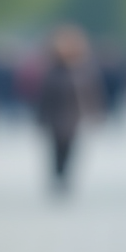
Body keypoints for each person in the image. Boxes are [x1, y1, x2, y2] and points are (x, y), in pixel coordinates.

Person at [36, 27, 93, 192]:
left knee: (70, 147)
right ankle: (58, 174)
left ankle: (65, 176)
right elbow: (44, 97)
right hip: (55, 115)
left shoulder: (82, 70)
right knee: (56, 148)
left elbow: (90, 93)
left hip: (74, 115)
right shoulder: (52, 71)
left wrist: (93, 112)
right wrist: (41, 117)